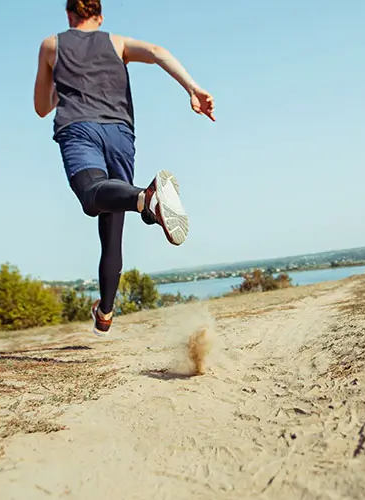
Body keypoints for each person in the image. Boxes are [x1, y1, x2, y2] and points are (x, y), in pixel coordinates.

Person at [33, 0, 214, 335]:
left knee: (92, 196)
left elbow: (41, 107)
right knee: (112, 230)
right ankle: (105, 312)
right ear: (99, 17)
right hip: (119, 134)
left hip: (79, 129)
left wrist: (64, 83)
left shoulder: (51, 45)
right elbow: (158, 51)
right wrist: (192, 87)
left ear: (69, 15)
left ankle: (146, 200)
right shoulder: (117, 43)